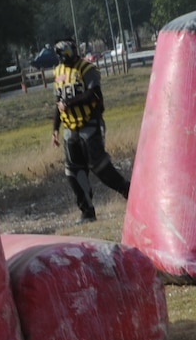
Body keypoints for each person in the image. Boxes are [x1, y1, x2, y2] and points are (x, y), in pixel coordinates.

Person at [38, 39, 131, 221]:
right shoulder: (58, 72)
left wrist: (70, 102)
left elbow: (93, 93)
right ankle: (87, 212)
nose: (71, 59)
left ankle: (128, 192)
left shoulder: (87, 69)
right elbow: (58, 102)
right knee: (73, 171)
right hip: (69, 129)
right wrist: (55, 129)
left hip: (89, 123)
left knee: (100, 167)